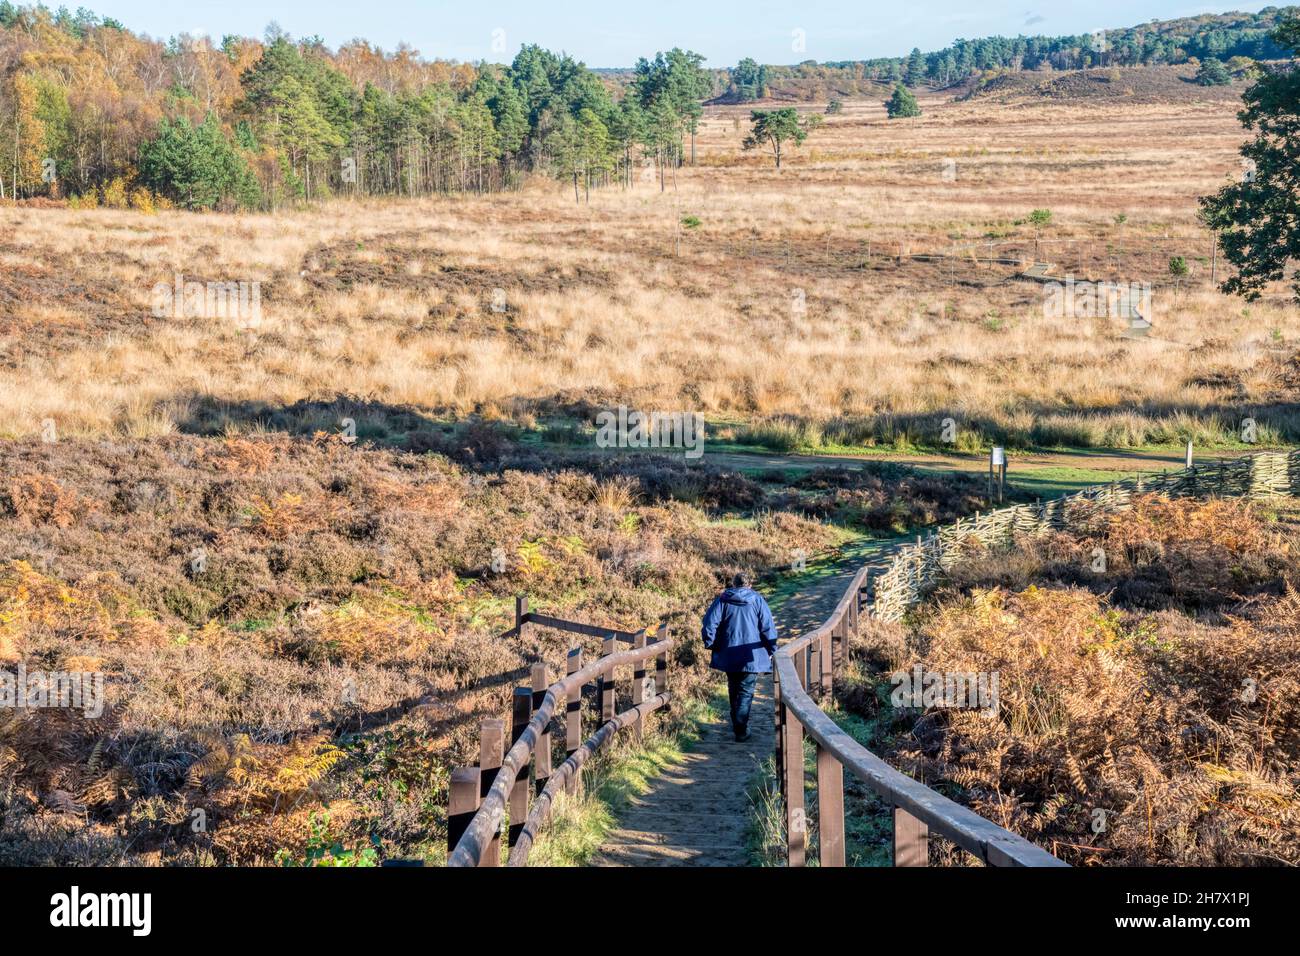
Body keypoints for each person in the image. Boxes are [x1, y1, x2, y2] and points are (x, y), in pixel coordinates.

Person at [700, 572, 778, 742]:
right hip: (751, 655)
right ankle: (740, 729)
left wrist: (711, 643)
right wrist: (772, 649)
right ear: (749, 585)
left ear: (733, 584)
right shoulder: (758, 600)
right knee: (746, 691)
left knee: (733, 688)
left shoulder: (722, 599)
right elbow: (767, 627)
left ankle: (738, 724)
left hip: (729, 653)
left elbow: (708, 624)